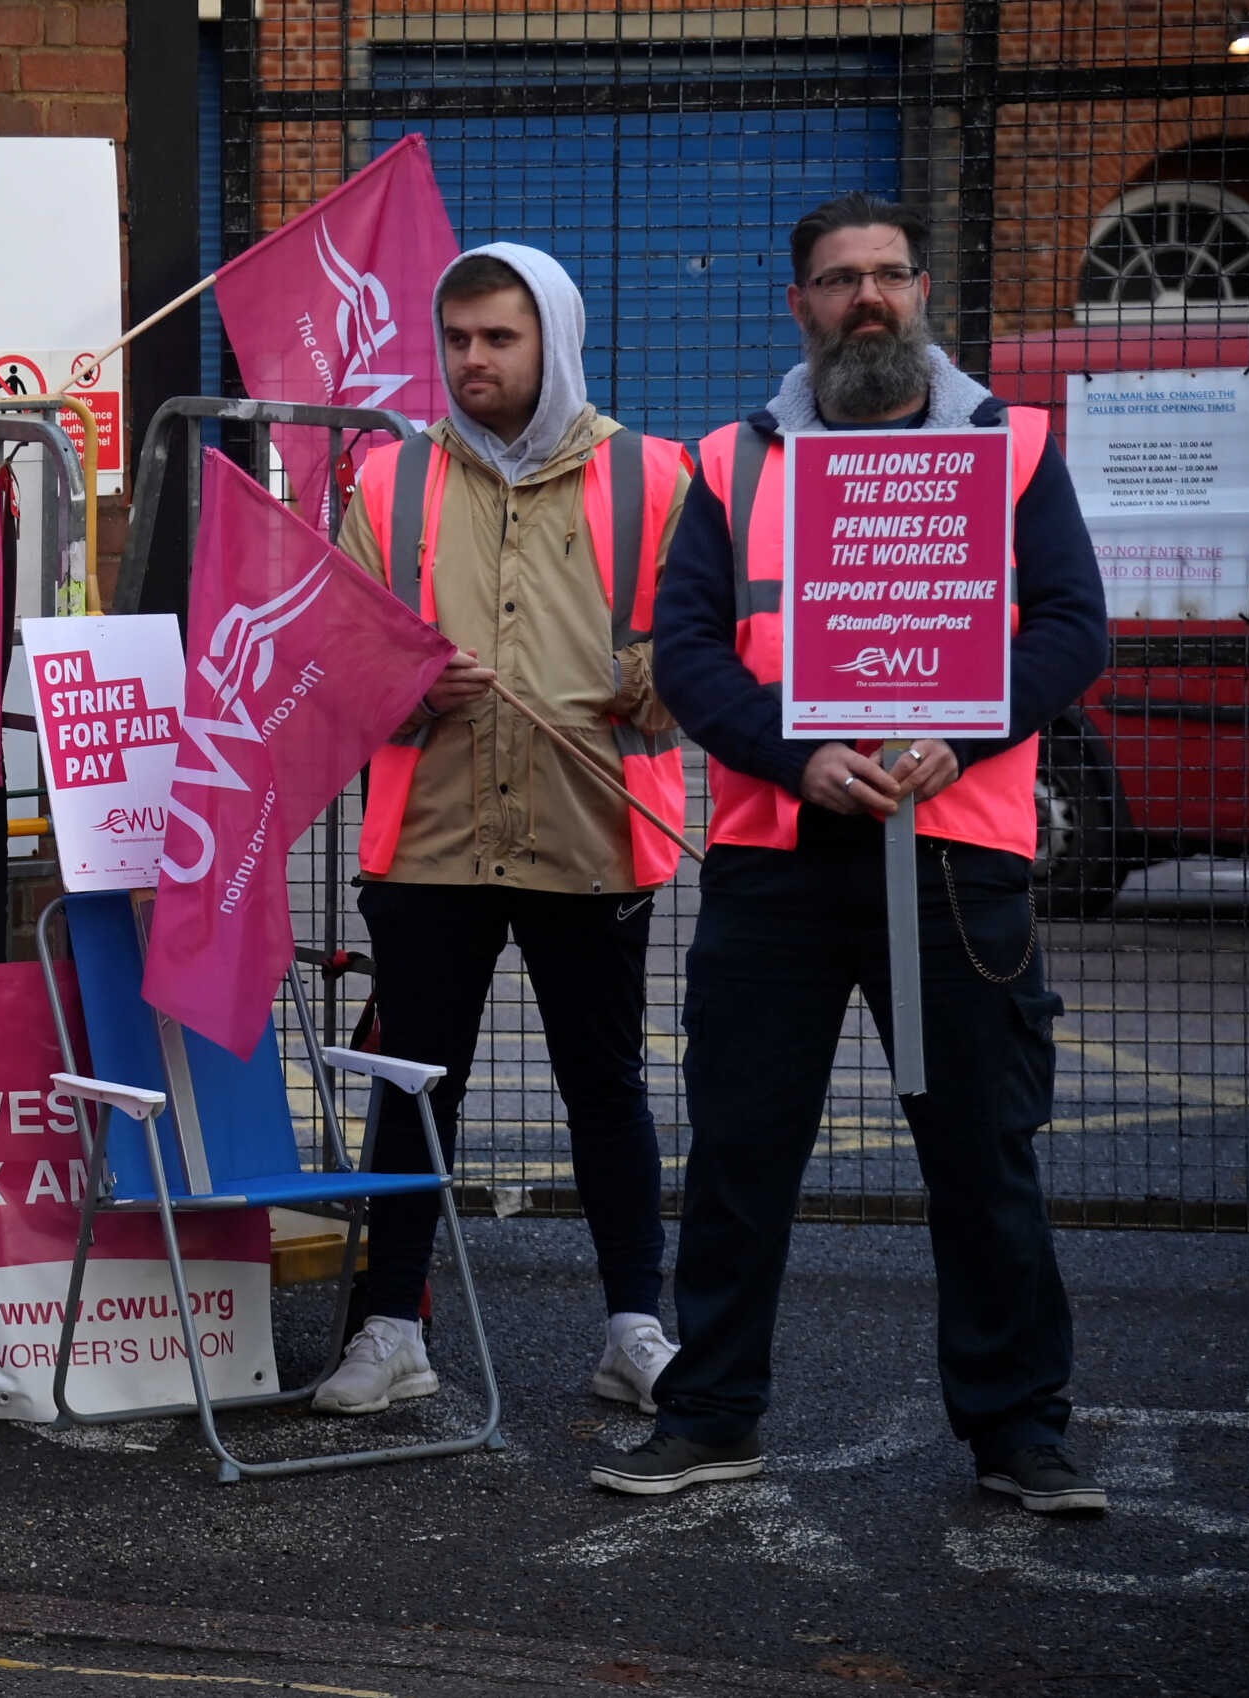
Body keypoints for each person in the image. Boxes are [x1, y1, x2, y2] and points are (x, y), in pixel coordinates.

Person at [592, 194, 1110, 1513]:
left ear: (926, 288)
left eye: (888, 275)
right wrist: (792, 753)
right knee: (741, 1150)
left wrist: (960, 727)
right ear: (799, 304)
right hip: (779, 851)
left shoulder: (1009, 447)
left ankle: (1019, 1434)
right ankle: (711, 1414)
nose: (866, 299)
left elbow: (1069, 629)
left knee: (982, 1156)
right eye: (838, 280)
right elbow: (690, 650)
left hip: (954, 852)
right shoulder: (734, 462)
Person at [319, 244, 694, 1417]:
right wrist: (412, 686)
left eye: (500, 339)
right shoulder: (386, 481)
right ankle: (389, 1330)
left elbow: (712, 655)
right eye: (458, 340)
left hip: (592, 837)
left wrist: (652, 678)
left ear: (557, 343)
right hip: (427, 840)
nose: (472, 361)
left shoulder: (659, 479)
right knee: (409, 1087)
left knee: (605, 1086)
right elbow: (334, 653)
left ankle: (633, 1328)